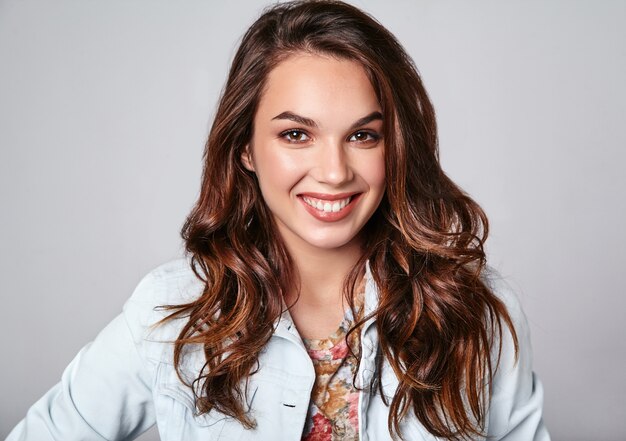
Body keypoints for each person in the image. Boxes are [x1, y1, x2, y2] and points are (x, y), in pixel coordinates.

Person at [7, 1, 550, 440]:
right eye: (296, 134)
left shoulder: (472, 309)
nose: (334, 172)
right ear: (245, 146)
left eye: (363, 135)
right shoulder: (172, 311)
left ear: (397, 146)